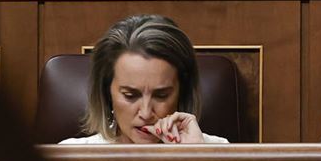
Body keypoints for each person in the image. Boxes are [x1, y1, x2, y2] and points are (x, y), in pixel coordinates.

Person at [61, 14, 229, 145]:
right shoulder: (69, 157)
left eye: (161, 95)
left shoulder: (215, 150)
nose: (146, 113)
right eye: (130, 95)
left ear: (182, 93)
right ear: (107, 93)